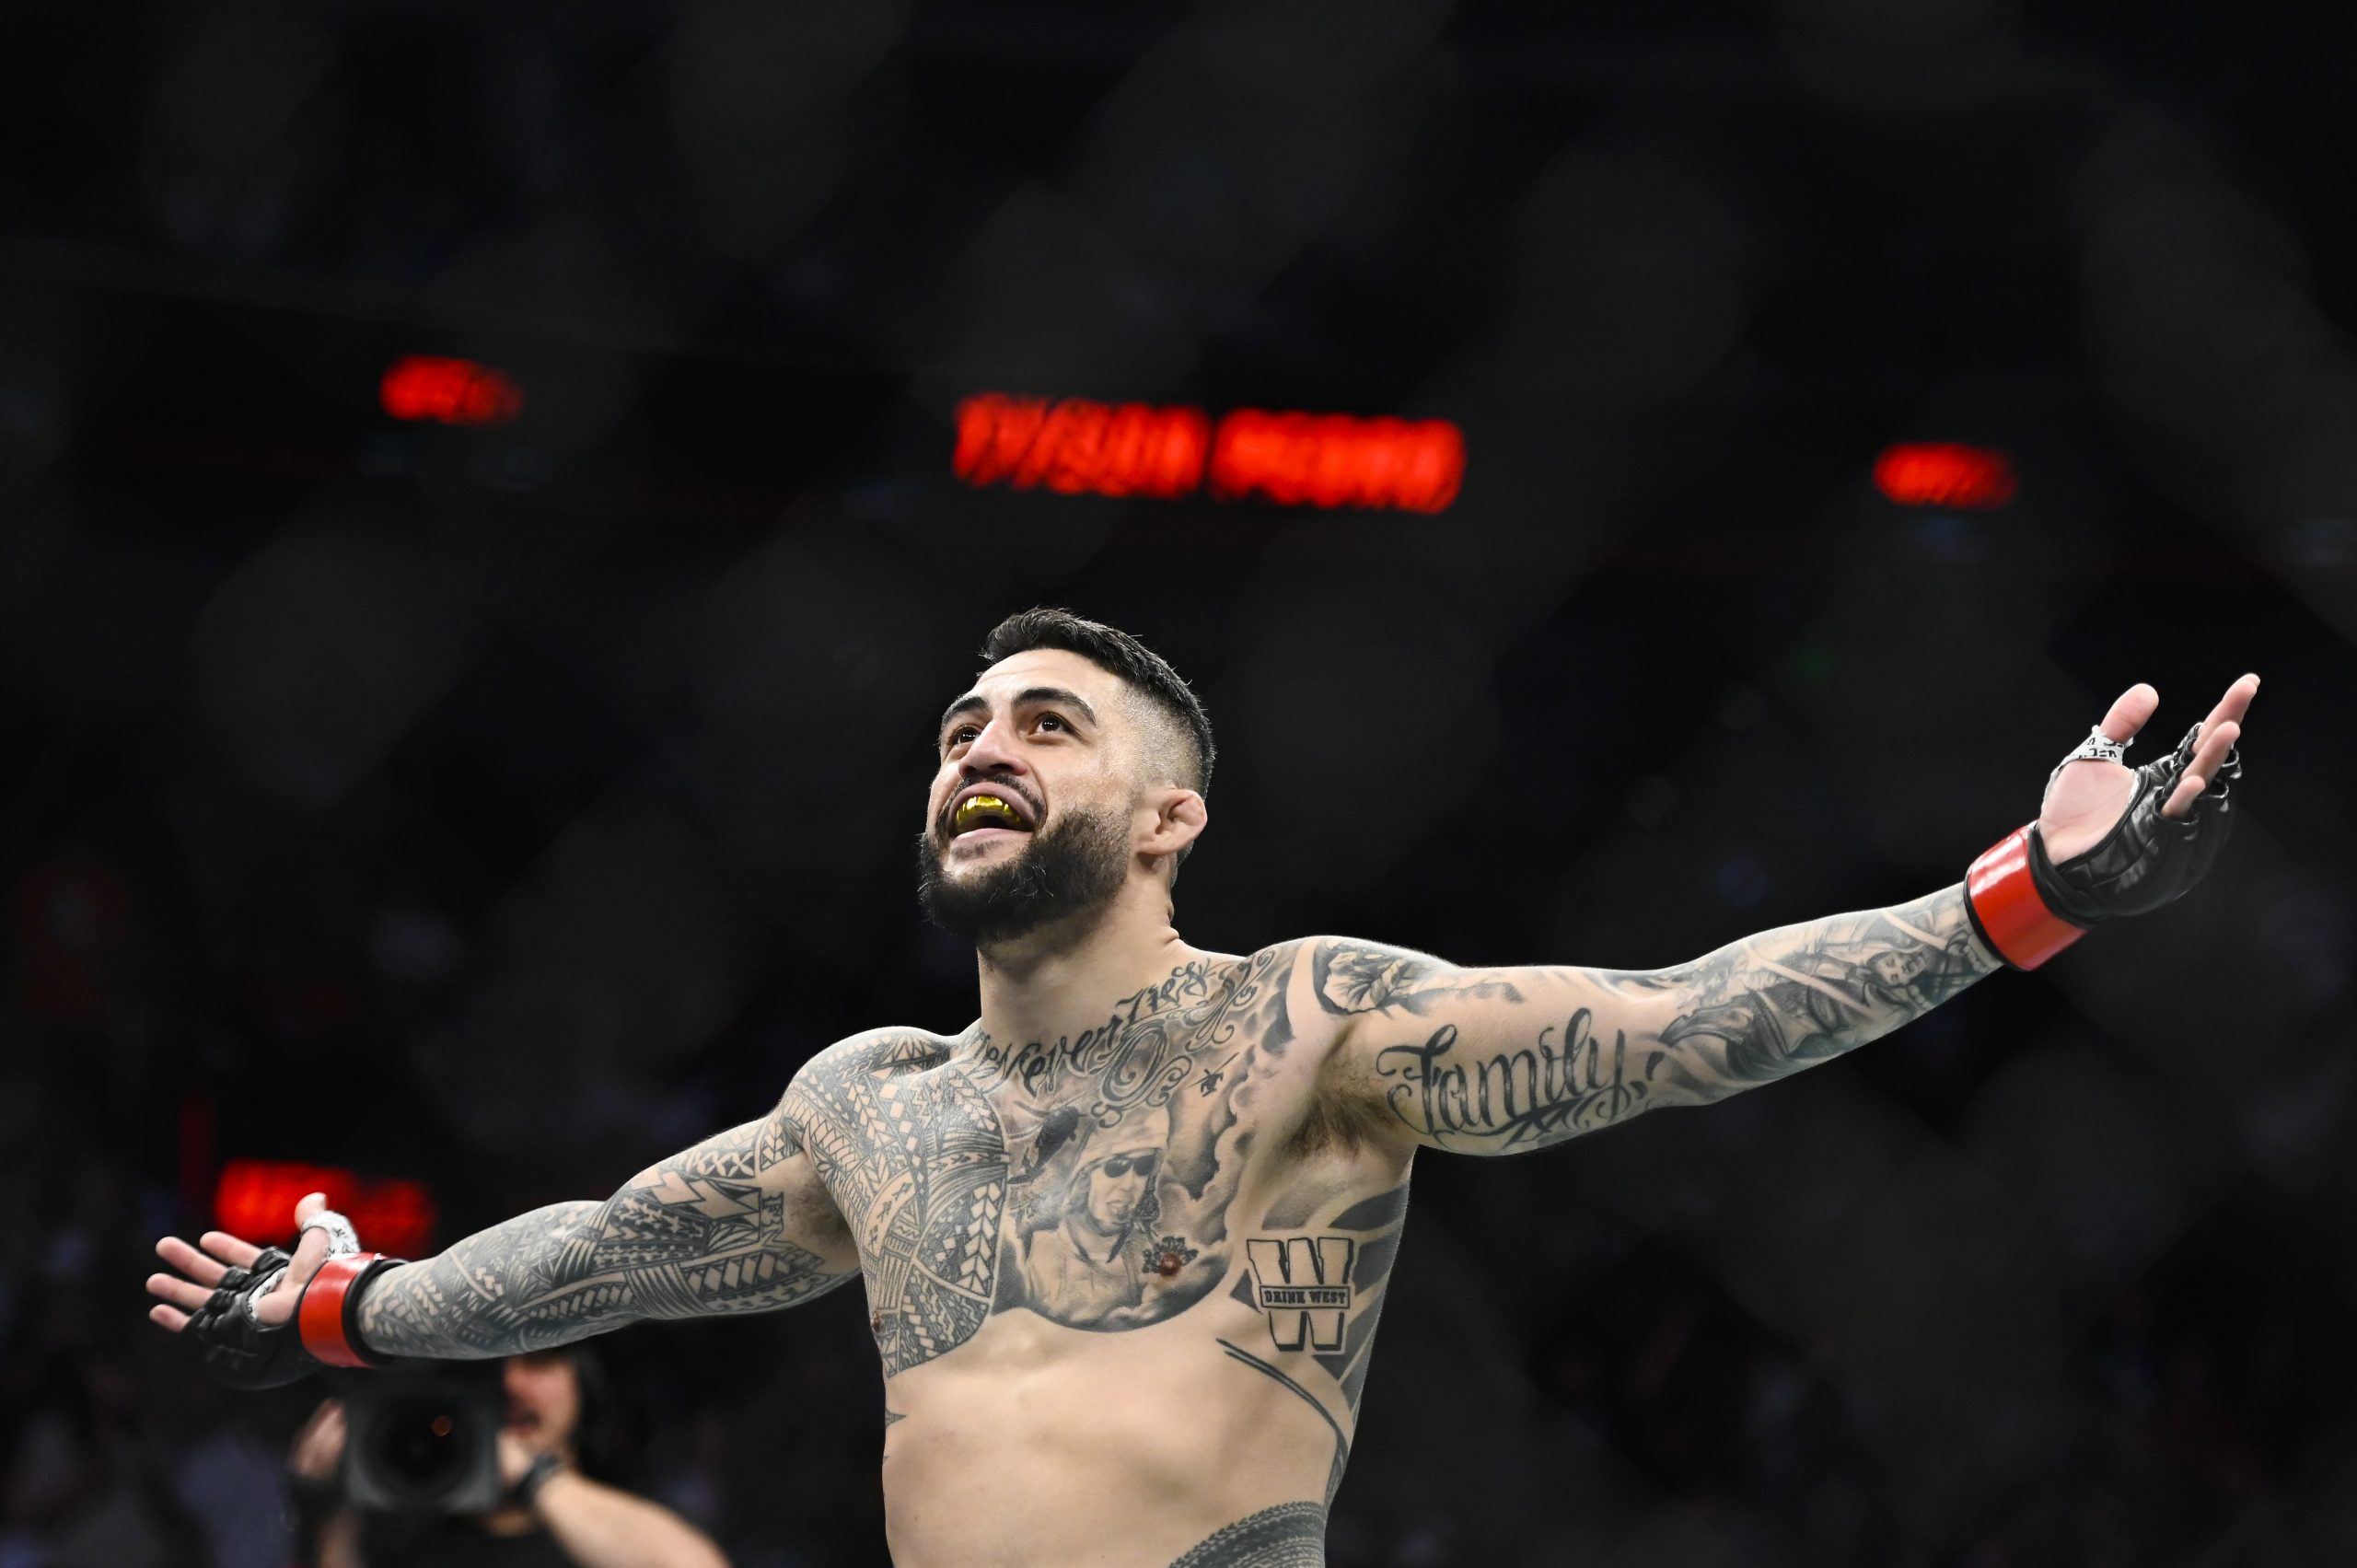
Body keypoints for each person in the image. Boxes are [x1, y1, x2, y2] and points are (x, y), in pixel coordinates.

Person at [147, 609, 2258, 1568]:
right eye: (961, 719)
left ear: (1165, 814)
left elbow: (1669, 1018)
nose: (978, 742)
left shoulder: (1312, 1024)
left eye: (1043, 722)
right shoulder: (864, 1102)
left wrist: (2019, 900)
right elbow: (589, 1258)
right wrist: (320, 1313)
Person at [284, 1349, 725, 1568]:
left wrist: (534, 1480)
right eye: (489, 1369)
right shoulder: (406, 1535)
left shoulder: (626, 1524)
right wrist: (324, 1507)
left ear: (582, 1385)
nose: (512, 1386)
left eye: (539, 1362)